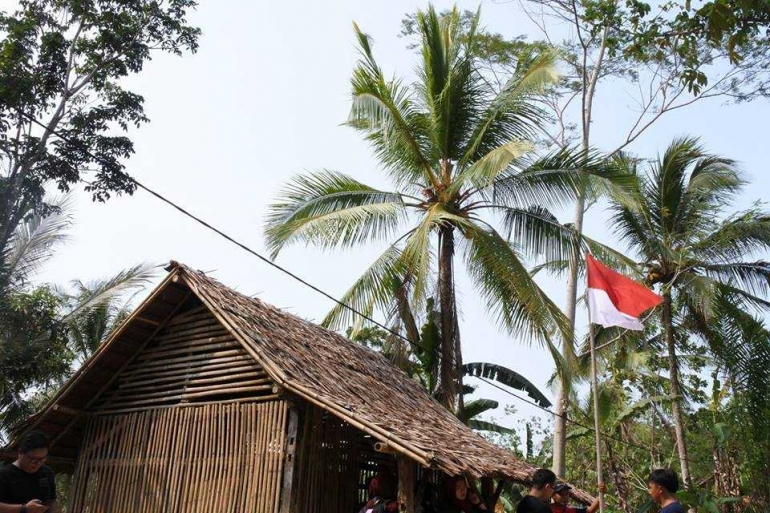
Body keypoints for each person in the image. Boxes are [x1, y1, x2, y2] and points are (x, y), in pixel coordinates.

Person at [0, 430, 57, 513]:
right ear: (20, 452)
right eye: (33, 459)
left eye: (42, 459)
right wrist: (23, 509)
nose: (38, 463)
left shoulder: (47, 472)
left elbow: (51, 501)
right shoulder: (3, 474)